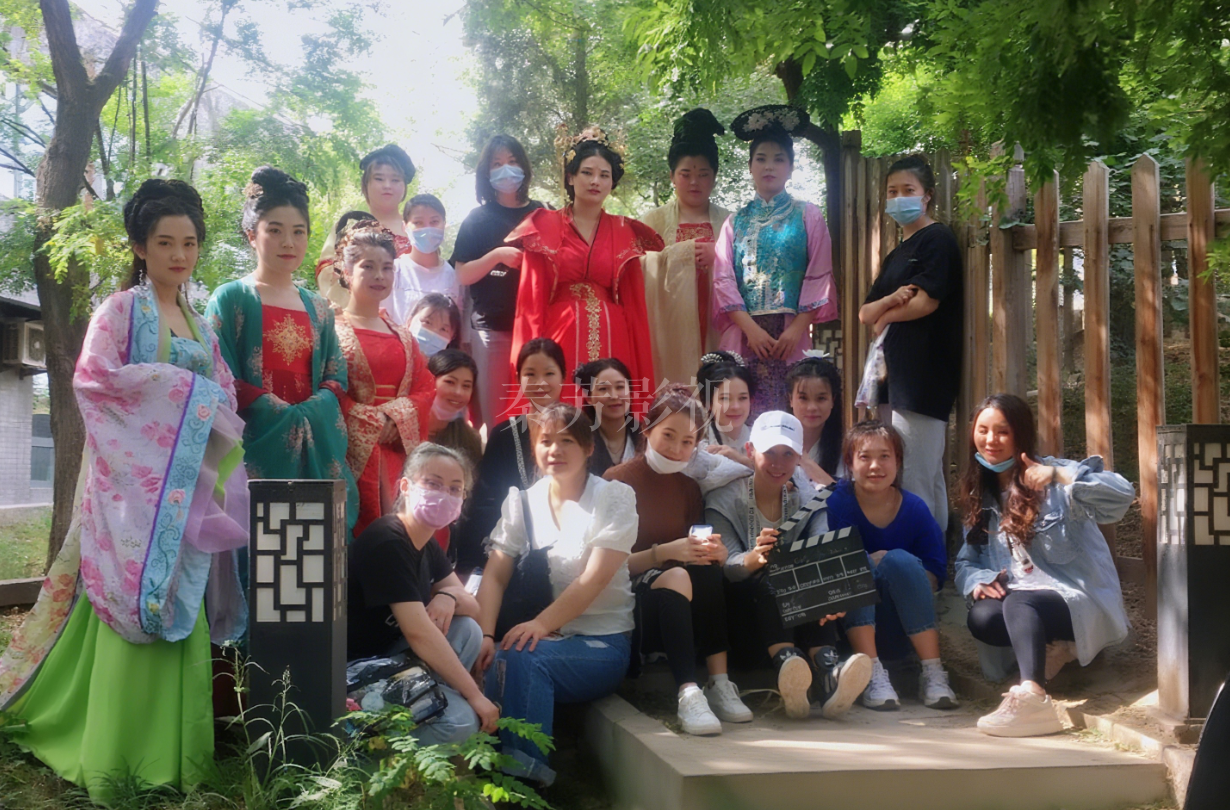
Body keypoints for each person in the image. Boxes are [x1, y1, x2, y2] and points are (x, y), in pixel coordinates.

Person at [0, 180, 248, 801]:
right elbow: (95, 384)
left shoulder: (201, 322)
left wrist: (201, 405)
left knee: (178, 602)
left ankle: (177, 758)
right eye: (164, 242)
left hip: (185, 493)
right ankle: (115, 755)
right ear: (140, 246)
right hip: (130, 492)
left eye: (189, 242)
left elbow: (223, 393)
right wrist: (182, 391)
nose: (179, 255)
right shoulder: (118, 311)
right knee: (129, 598)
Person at [954, 394, 1132, 737]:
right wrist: (979, 580)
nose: (991, 440)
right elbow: (966, 560)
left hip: (1077, 598)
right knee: (983, 616)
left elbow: (1122, 495)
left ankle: (1033, 699)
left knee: (1021, 600)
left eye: (1003, 431)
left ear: (1020, 434)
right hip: (1026, 602)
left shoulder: (1054, 478)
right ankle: (1063, 650)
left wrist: (1059, 475)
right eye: (983, 430)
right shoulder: (981, 492)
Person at [476, 403, 636, 785]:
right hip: (543, 637)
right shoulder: (523, 501)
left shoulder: (614, 497)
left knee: (523, 657)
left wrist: (540, 624)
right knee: (491, 658)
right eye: (545, 441)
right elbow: (495, 574)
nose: (555, 450)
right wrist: (483, 635)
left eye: (567, 441)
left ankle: (524, 782)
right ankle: (481, 771)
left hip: (603, 643)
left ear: (588, 448)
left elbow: (594, 579)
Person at [206, 166, 359, 531]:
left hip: (314, 447)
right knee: (257, 543)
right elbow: (220, 373)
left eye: (298, 231)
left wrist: (308, 412)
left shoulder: (318, 307)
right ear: (251, 235)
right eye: (274, 230)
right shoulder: (231, 298)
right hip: (254, 443)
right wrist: (271, 410)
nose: (288, 242)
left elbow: (335, 376)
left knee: (311, 546)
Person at [604, 387, 752, 735]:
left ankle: (719, 682)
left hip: (679, 597)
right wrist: (663, 552)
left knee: (706, 570)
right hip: (632, 596)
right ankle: (688, 692)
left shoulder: (688, 487)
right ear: (647, 428)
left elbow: (694, 546)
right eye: (668, 435)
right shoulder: (616, 480)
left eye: (687, 442)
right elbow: (607, 567)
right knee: (678, 577)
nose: (675, 448)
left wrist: (717, 553)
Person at [706, 411, 871, 720]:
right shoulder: (723, 499)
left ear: (799, 457)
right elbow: (725, 567)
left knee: (810, 574)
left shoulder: (809, 497)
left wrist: (832, 593)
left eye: (788, 454)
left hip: (797, 613)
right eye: (770, 452)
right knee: (776, 571)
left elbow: (821, 552)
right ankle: (791, 665)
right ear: (750, 451)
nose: (778, 463)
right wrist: (753, 559)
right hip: (745, 619)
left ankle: (825, 669)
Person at [347, 444, 499, 744]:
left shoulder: (425, 542)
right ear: (406, 486)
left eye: (455, 489)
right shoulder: (389, 540)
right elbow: (418, 633)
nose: (445, 494)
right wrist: (475, 695)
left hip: (393, 656)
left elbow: (472, 606)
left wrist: (448, 597)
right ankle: (368, 755)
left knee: (467, 629)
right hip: (358, 672)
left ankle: (433, 706)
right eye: (433, 483)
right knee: (461, 722)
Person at [505, 127, 663, 414]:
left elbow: (635, 308)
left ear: (612, 182)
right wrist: (530, 357)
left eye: (604, 175)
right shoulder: (543, 225)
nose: (595, 181)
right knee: (560, 416)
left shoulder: (626, 232)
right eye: (587, 172)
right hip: (559, 335)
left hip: (614, 336)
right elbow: (531, 301)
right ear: (570, 177)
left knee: (612, 415)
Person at [857, 154, 963, 534]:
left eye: (908, 190)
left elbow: (926, 301)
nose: (899, 198)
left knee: (918, 477)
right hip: (893, 377)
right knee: (921, 476)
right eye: (892, 192)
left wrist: (885, 316)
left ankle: (925, 561)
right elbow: (865, 313)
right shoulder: (897, 254)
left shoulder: (937, 239)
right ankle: (936, 556)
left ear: (927, 195)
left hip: (923, 377)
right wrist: (886, 306)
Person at [825, 421, 958, 711]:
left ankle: (933, 672)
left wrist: (891, 568)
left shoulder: (915, 509)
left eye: (885, 456)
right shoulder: (835, 505)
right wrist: (869, 567)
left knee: (899, 559)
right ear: (849, 462)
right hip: (848, 628)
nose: (875, 466)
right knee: (857, 562)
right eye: (865, 457)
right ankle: (870, 673)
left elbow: (935, 575)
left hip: (902, 626)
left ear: (898, 461)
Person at [713, 105, 838, 415]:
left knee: (793, 411)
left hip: (790, 333)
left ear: (791, 167)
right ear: (750, 166)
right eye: (761, 158)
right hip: (745, 335)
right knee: (742, 412)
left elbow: (819, 274)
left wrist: (797, 329)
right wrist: (751, 330)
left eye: (779, 159)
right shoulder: (734, 222)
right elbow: (723, 279)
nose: (769, 166)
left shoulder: (808, 215)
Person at [326, 222, 436, 538]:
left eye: (387, 268)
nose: (379, 275)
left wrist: (395, 417)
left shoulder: (403, 335)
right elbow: (328, 388)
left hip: (398, 448)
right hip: (351, 454)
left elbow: (426, 387)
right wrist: (372, 421)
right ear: (346, 271)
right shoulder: (331, 330)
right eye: (368, 266)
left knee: (401, 535)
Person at [451, 135, 546, 429]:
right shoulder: (477, 219)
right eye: (497, 164)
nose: (506, 169)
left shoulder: (543, 213)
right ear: (486, 173)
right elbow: (462, 274)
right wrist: (496, 256)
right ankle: (496, 458)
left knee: (536, 414)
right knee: (497, 418)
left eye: (512, 161)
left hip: (537, 328)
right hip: (492, 331)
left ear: (524, 167)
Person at [453, 338, 567, 577]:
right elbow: (486, 500)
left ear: (563, 377)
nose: (540, 382)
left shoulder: (580, 432)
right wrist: (470, 562)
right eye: (530, 374)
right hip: (509, 550)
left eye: (549, 373)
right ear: (518, 378)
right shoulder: (504, 434)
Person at [641, 108, 732, 384]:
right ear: (672, 176)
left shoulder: (731, 222)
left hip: (719, 323)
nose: (694, 182)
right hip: (671, 328)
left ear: (714, 176)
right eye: (685, 174)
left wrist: (720, 255)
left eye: (703, 174)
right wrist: (680, 255)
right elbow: (639, 268)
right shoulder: (652, 221)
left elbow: (749, 268)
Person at [317, 144, 416, 308]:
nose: (387, 185)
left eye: (395, 180)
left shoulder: (416, 229)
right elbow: (327, 272)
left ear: (404, 186)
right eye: (379, 179)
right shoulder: (348, 226)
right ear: (366, 184)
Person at [386, 193, 460, 326]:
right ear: (405, 227)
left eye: (434, 222)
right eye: (418, 223)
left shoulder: (454, 277)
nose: (427, 229)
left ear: (444, 224)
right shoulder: (393, 271)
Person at [576, 357, 641, 476]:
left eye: (620, 387)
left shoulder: (646, 436)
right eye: (603, 389)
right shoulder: (579, 440)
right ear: (589, 398)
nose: (614, 396)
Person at [786, 356, 843, 489]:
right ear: (790, 399)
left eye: (821, 398)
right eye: (803, 398)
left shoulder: (847, 450)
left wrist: (805, 462)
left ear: (833, 400)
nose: (812, 407)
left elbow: (847, 498)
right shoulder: (774, 442)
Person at [427, 349, 484, 473]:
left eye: (466, 386)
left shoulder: (470, 441)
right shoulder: (401, 429)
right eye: (450, 382)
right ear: (429, 381)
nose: (458, 392)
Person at [696, 351, 754, 462]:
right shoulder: (696, 444)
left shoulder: (764, 440)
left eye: (743, 398)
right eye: (725, 398)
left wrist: (742, 460)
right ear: (708, 402)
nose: (736, 407)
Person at [407, 292, 462, 358]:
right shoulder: (395, 353)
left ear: (453, 337)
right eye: (427, 322)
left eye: (443, 329)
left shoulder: (455, 364)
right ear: (409, 321)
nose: (433, 332)